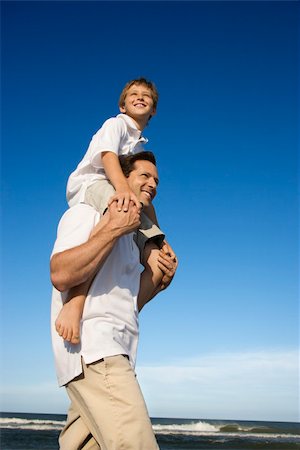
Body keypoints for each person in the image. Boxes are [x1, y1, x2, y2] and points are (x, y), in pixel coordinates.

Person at [50, 152, 177, 449]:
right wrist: (113, 228)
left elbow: (132, 302)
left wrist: (159, 278)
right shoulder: (86, 213)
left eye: (156, 180)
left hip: (118, 350)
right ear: (121, 178)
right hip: (96, 348)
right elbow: (60, 273)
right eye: (144, 176)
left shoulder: (134, 244)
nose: (152, 184)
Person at [55, 77, 173, 345]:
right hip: (93, 184)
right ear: (122, 105)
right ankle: (76, 300)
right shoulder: (116, 124)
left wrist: (161, 240)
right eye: (133, 94)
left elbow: (145, 202)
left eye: (146, 96)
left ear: (153, 110)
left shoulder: (140, 146)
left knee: (163, 266)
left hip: (120, 192)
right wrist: (122, 191)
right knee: (121, 212)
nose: (140, 97)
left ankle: (127, 313)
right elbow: (108, 157)